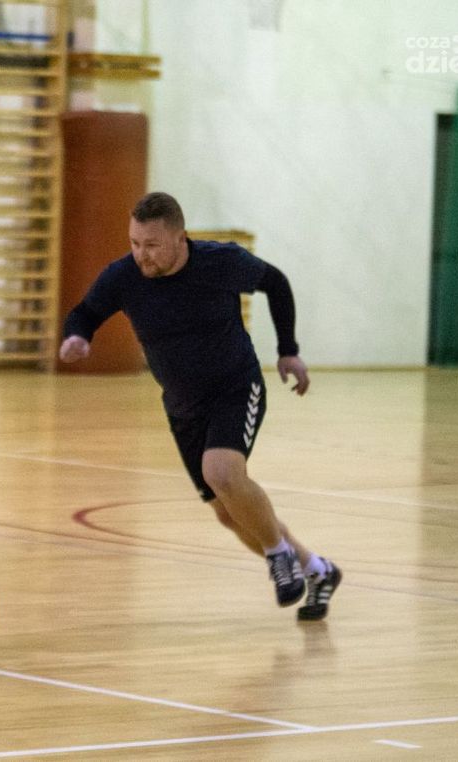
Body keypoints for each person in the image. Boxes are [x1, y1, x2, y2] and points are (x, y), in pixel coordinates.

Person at [59, 191, 341, 621]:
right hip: (182, 407)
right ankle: (316, 569)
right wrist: (78, 337)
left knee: (223, 472)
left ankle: (278, 554)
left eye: (151, 245)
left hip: (235, 387)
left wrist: (288, 350)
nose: (141, 255)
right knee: (230, 515)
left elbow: (275, 284)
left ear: (179, 239)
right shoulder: (124, 276)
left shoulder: (219, 262)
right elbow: (86, 312)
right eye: (134, 243)